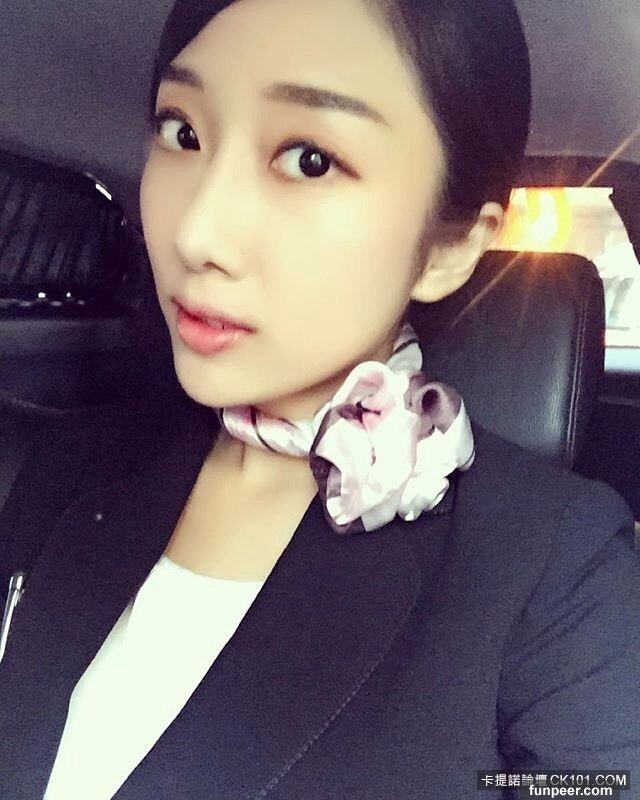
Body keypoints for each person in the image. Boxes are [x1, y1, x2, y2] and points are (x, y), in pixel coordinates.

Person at [0, 0, 639, 798]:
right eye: (182, 132)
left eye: (309, 160)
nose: (197, 233)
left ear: (447, 249)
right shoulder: (69, 465)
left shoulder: (559, 571)